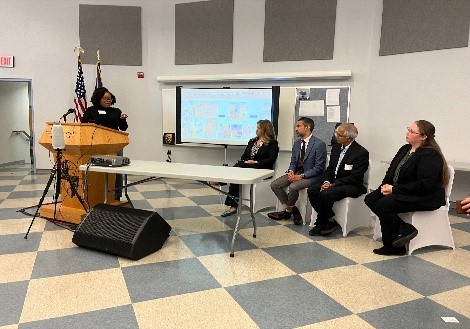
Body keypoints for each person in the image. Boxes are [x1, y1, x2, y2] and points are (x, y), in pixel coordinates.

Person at [365, 120, 449, 256]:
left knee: (384, 204)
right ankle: (404, 228)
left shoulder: (430, 155)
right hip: (404, 191)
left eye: (412, 131)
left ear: (423, 137)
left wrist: (394, 190)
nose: (407, 133)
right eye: (408, 129)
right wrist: (385, 186)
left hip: (425, 196)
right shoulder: (405, 149)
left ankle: (394, 246)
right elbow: (391, 171)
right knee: (370, 198)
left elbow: (424, 185)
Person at [308, 123, 369, 236]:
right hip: (334, 182)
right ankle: (329, 219)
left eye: (339, 135)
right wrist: (327, 181)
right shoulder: (336, 148)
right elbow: (330, 170)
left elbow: (355, 177)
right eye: (336, 133)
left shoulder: (361, 153)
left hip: (352, 185)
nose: (336, 136)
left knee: (326, 194)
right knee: (312, 190)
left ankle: (321, 223)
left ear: (349, 138)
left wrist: (333, 185)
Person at [267, 117, 327, 225]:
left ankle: (287, 211)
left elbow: (319, 168)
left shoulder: (319, 144)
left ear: (307, 127)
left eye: (298, 126)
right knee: (275, 184)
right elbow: (293, 161)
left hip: (312, 176)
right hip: (296, 173)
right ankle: (293, 209)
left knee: (293, 187)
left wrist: (301, 176)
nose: (295, 129)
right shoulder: (296, 143)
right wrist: (291, 172)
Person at [220, 120, 279, 217]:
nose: (256, 130)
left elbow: (271, 160)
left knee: (237, 169)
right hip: (248, 167)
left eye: (259, 128)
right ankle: (233, 206)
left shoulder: (272, 143)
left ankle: (223, 182)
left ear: (265, 129)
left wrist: (256, 162)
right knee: (238, 171)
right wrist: (246, 161)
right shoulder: (252, 141)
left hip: (262, 169)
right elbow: (244, 156)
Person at [82, 87, 129, 201]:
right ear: (98, 98)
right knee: (98, 170)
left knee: (117, 170)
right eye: (105, 98)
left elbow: (123, 128)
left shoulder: (116, 111)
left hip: (115, 144)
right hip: (96, 145)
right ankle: (96, 195)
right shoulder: (91, 111)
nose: (108, 100)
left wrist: (122, 120)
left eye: (110, 98)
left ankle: (116, 195)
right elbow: (83, 126)